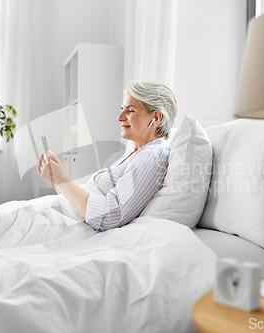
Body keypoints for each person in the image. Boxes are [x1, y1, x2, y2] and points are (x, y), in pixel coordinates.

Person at [37, 80, 177, 231]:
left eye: (130, 111)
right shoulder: (132, 154)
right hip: (60, 215)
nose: (119, 117)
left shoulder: (153, 156)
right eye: (122, 109)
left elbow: (109, 216)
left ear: (155, 118)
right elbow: (82, 202)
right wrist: (56, 181)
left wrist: (62, 181)